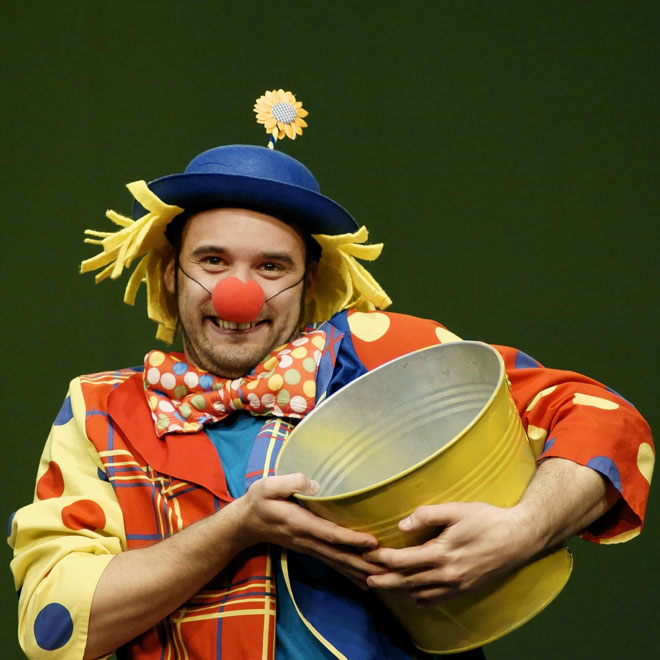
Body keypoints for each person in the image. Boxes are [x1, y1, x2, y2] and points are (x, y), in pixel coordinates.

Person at [8, 90, 654, 660]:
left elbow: (605, 420)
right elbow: (55, 624)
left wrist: (521, 530)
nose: (239, 293)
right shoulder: (102, 409)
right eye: (213, 261)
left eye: (271, 267)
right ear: (170, 273)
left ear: (309, 282)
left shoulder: (382, 352)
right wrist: (237, 527)